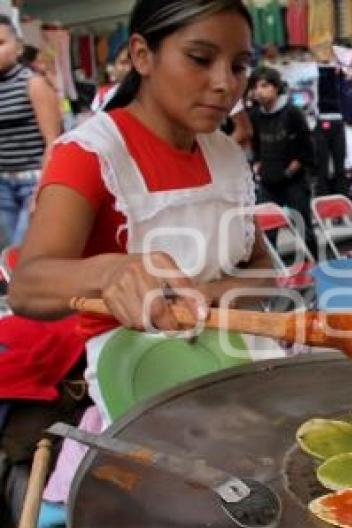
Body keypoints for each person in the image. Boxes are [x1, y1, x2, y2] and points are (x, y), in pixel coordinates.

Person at [8, 0, 278, 422]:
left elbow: (264, 269)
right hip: (139, 386)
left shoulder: (226, 153)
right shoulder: (91, 155)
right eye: (200, 59)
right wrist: (109, 272)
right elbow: (26, 287)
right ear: (141, 55)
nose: (225, 83)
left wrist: (207, 296)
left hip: (232, 365)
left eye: (240, 66)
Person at [0, 15, 62, 247]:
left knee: (22, 251)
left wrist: (43, 189)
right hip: (2, 184)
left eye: (0, 43)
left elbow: (52, 141)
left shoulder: (32, 83)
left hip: (31, 182)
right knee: (6, 254)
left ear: (18, 48)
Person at [249, 66, 317, 257]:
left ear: (276, 87)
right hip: (268, 182)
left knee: (304, 229)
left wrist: (289, 170)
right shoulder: (255, 115)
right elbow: (255, 144)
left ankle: (318, 267)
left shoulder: (292, 113)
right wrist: (257, 164)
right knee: (267, 232)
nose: (258, 92)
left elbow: (306, 148)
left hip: (293, 181)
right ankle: (274, 276)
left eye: (264, 86)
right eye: (255, 88)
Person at [90, 42, 132, 112]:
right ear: (115, 65)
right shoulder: (103, 94)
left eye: (132, 63)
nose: (128, 68)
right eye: (123, 62)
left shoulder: (147, 97)